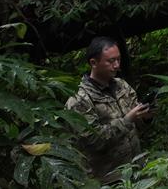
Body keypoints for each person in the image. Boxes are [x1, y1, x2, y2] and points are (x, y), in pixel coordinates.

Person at [65, 37, 153, 182]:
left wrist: (146, 117)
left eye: (118, 59)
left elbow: (137, 127)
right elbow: (93, 142)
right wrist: (127, 120)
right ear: (93, 63)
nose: (117, 65)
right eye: (111, 61)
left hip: (137, 170)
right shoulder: (79, 100)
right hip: (108, 179)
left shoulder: (122, 85)